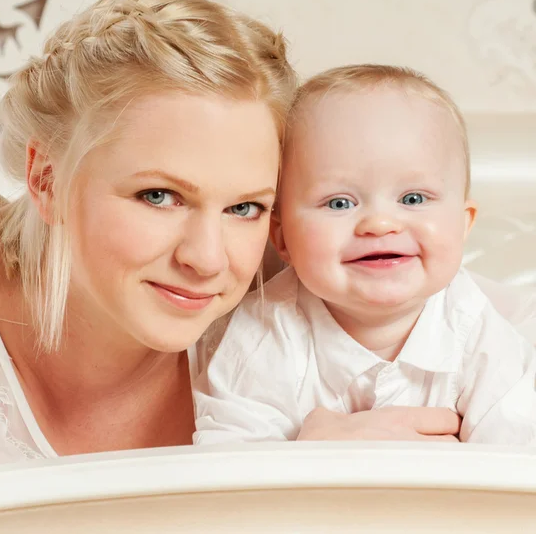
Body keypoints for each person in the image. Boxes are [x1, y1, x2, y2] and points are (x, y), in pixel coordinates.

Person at [0, 0, 470, 475]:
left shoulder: (298, 272)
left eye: (245, 207)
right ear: (46, 178)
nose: (208, 260)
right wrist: (292, 479)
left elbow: (483, 316)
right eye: (159, 196)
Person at [193, 65, 536, 445]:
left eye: (413, 198)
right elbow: (227, 475)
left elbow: (516, 465)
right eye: (339, 202)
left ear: (462, 224)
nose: (380, 223)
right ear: (283, 238)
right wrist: (310, 454)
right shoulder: (265, 333)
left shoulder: (479, 330)